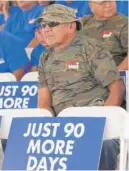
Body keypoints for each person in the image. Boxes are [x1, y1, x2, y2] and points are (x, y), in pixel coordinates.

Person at [37, 4, 125, 170]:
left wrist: (102, 123)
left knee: (102, 147)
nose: (46, 29)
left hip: (94, 123)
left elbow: (117, 88)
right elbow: (43, 101)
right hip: (62, 127)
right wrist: (49, 129)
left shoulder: (90, 47)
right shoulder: (44, 57)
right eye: (43, 25)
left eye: (53, 23)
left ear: (71, 25)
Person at [81, 0, 128, 70]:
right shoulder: (84, 22)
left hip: (112, 73)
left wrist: (116, 74)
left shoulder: (124, 24)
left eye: (111, 1)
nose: (108, 5)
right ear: (91, 5)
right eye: (103, 2)